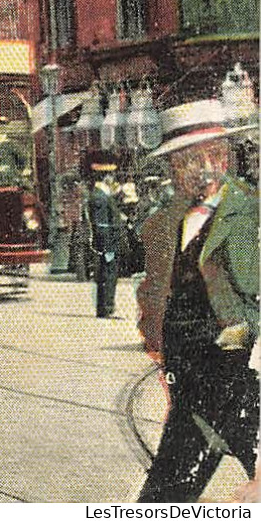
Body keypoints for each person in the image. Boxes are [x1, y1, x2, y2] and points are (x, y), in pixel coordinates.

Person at [136, 99, 259, 503]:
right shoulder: (169, 218)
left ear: (222, 158)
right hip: (187, 370)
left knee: (167, 490)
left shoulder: (247, 212)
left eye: (214, 154)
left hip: (228, 371)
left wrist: (240, 336)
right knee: (171, 485)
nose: (203, 167)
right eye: (186, 161)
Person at [87, 160, 123, 319]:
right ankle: (106, 308)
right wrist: (107, 247)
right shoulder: (99, 198)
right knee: (107, 275)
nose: (113, 179)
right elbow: (101, 225)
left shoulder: (102, 195)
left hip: (109, 241)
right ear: (105, 177)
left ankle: (106, 307)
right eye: (111, 175)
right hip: (108, 243)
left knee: (107, 275)